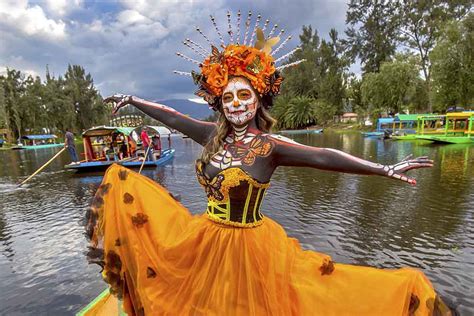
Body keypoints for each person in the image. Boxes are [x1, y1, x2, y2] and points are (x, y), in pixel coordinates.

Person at [86, 14, 450, 316]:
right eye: (228, 97)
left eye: (244, 95)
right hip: (205, 237)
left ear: (259, 100)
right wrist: (135, 100)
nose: (236, 104)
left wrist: (382, 169)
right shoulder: (212, 136)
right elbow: (174, 117)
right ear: (220, 103)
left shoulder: (271, 147)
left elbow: (326, 157)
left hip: (252, 247)